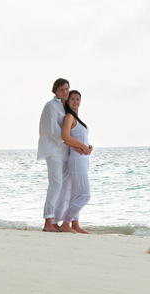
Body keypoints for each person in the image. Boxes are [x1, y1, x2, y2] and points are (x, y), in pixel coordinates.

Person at [38, 78, 73, 232]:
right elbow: (54, 132)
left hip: (65, 151)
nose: (65, 92)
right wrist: (73, 143)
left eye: (66, 89)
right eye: (61, 90)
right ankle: (47, 222)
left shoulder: (66, 108)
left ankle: (55, 220)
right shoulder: (51, 106)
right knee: (55, 184)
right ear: (55, 91)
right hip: (53, 151)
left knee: (64, 186)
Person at [59, 90, 92, 233]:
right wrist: (83, 146)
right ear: (67, 101)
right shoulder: (69, 117)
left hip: (83, 159)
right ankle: (65, 224)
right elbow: (65, 137)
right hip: (76, 160)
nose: (75, 102)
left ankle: (75, 224)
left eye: (78, 99)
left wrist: (87, 146)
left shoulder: (77, 119)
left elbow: (79, 138)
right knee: (84, 195)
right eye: (72, 99)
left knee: (76, 193)